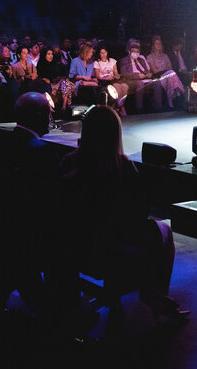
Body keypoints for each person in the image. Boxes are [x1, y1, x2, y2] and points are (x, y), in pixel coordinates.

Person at [59, 105, 188, 324]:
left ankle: (149, 289)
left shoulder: (69, 162)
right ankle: (156, 294)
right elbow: (139, 213)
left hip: (76, 247)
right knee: (163, 230)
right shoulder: (122, 167)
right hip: (107, 249)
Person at [119, 39, 167, 113]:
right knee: (140, 84)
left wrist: (148, 74)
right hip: (133, 81)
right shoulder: (124, 60)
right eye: (134, 52)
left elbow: (147, 71)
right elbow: (124, 74)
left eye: (137, 52)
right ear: (129, 52)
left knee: (157, 82)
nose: (136, 53)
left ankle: (158, 108)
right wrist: (137, 76)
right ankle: (139, 109)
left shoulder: (141, 59)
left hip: (145, 79)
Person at [146, 35, 187, 109]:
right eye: (156, 44)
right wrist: (166, 71)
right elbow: (155, 71)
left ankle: (171, 99)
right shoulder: (149, 57)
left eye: (160, 44)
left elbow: (170, 67)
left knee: (171, 74)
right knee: (171, 73)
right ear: (153, 45)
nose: (158, 45)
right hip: (158, 77)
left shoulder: (165, 56)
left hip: (168, 77)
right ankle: (181, 92)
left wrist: (167, 71)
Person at [68, 42, 101, 107]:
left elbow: (92, 75)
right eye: (91, 52)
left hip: (89, 83)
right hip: (80, 84)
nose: (92, 54)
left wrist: (94, 78)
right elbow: (71, 76)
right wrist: (83, 77)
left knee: (98, 89)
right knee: (89, 90)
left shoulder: (91, 63)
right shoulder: (75, 61)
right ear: (86, 52)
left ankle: (96, 108)